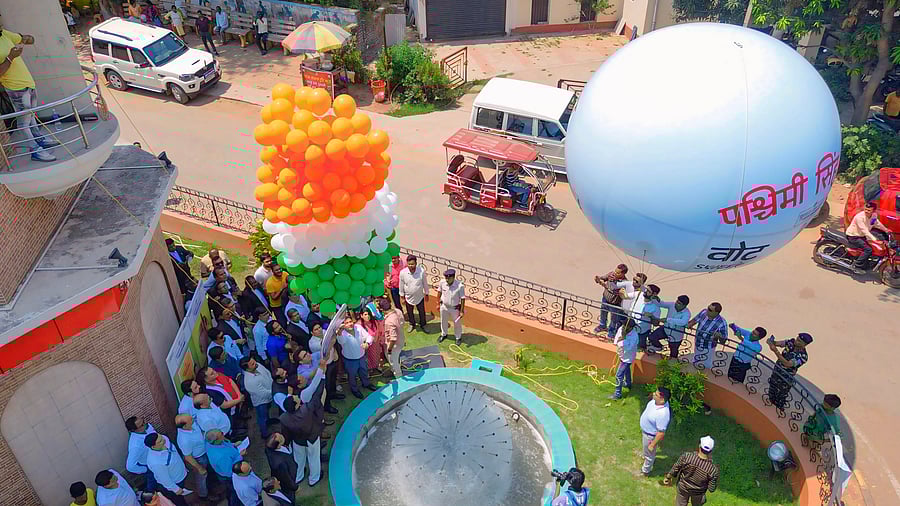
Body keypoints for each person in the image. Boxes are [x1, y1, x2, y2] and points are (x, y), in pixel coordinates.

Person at [0, 26, 58, 161]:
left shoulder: (4, 35)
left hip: (28, 83)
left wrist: (27, 38)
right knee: (24, 122)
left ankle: (40, 139)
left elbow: (30, 39)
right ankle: (36, 151)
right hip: (15, 88)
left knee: (31, 117)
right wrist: (10, 57)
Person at [280, 359, 327, 487]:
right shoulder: (306, 410)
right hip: (311, 438)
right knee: (313, 458)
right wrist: (322, 375)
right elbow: (317, 393)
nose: (296, 397)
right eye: (295, 399)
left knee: (299, 459)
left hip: (297, 440)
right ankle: (314, 478)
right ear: (295, 406)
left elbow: (285, 432)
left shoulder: (284, 417)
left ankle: (299, 476)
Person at [664, 436, 720, 506]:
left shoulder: (687, 456)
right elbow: (711, 489)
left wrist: (668, 477)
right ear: (711, 451)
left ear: (699, 446)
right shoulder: (712, 469)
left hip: (683, 488)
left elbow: (676, 468)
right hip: (698, 493)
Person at [767, 332, 812, 409]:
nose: (796, 341)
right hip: (776, 372)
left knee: (780, 398)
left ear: (805, 344)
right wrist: (771, 342)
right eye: (797, 339)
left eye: (799, 341)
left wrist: (776, 351)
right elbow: (777, 343)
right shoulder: (791, 342)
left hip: (785, 379)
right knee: (771, 391)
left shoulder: (803, 356)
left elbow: (787, 364)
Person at [144, 433, 191, 506]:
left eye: (161, 437)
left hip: (180, 474)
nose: (164, 440)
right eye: (160, 441)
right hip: (175, 483)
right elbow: (164, 479)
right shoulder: (155, 462)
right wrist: (176, 490)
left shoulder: (164, 440)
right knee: (180, 502)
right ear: (153, 447)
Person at [336, 315, 377, 398]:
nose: (349, 324)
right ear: (343, 325)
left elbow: (369, 336)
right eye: (346, 323)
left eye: (350, 322)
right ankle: (354, 390)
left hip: (361, 357)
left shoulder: (358, 327)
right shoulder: (342, 334)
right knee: (352, 376)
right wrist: (339, 332)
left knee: (364, 372)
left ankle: (366, 384)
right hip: (350, 361)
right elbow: (341, 341)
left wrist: (367, 343)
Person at [845, 201, 892, 272]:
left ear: (873, 211)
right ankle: (857, 265)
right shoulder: (859, 217)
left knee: (873, 248)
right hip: (853, 236)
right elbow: (864, 230)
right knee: (868, 249)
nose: (866, 211)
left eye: (869, 210)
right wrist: (874, 239)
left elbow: (876, 223)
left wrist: (886, 230)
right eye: (865, 209)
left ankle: (864, 262)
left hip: (861, 236)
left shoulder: (874, 215)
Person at [174, 414, 210, 502]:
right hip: (198, 458)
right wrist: (199, 468)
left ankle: (210, 486)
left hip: (205, 452)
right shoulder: (184, 440)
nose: (193, 420)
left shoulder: (191, 425)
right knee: (201, 478)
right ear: (185, 426)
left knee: (207, 475)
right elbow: (188, 457)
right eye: (191, 420)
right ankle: (203, 496)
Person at [603, 272, 647, 339]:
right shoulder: (628, 283)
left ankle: (625, 340)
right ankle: (613, 335)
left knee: (629, 328)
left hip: (632, 314)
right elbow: (615, 286)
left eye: (637, 281)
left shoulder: (644, 291)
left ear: (642, 283)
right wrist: (611, 281)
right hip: (623, 310)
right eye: (634, 279)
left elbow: (650, 297)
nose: (634, 282)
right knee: (617, 323)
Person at [638, 387, 671, 476]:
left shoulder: (663, 414)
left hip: (650, 436)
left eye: (656, 394)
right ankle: (645, 455)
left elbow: (661, 433)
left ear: (662, 399)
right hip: (645, 432)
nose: (653, 394)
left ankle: (645, 471)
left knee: (650, 455)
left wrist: (652, 444)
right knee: (646, 451)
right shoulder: (656, 402)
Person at [686, 302, 727, 372]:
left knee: (705, 366)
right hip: (697, 343)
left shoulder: (722, 323)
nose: (707, 310)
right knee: (695, 361)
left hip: (708, 348)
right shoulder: (704, 312)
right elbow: (695, 320)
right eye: (708, 308)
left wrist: (719, 336)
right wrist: (690, 324)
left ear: (716, 313)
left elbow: (723, 341)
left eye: (710, 310)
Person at [241, 356, 274, 439]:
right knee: (262, 416)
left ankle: (269, 421)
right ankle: (265, 433)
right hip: (261, 401)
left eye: (254, 361)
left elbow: (267, 372)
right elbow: (262, 393)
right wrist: (273, 392)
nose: (255, 364)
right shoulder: (249, 381)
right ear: (247, 369)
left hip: (269, 393)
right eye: (252, 364)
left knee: (267, 412)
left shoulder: (257, 365)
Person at [205, 429, 242, 501]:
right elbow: (229, 472)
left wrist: (233, 445)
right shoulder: (221, 457)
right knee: (235, 492)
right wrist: (240, 455)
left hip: (223, 470)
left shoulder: (210, 442)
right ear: (216, 440)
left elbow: (225, 444)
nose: (223, 434)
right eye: (221, 434)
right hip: (229, 477)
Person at [264, 433, 299, 504]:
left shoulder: (270, 448)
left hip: (286, 470)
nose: (282, 435)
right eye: (281, 437)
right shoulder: (280, 463)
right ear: (278, 445)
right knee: (289, 498)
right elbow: (287, 478)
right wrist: (294, 487)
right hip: (287, 483)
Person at [609, 318, 638, 400]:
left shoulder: (634, 336)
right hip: (621, 354)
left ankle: (617, 394)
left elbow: (628, 348)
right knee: (627, 370)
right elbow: (616, 341)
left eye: (626, 326)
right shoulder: (621, 329)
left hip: (628, 357)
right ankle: (628, 383)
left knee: (619, 375)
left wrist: (622, 340)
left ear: (631, 328)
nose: (624, 328)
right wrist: (620, 341)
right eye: (624, 325)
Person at [594, 263, 628, 334]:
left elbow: (616, 292)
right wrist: (598, 279)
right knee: (603, 313)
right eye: (615, 271)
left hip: (615, 303)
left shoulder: (624, 282)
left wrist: (605, 285)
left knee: (614, 319)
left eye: (617, 273)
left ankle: (611, 331)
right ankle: (602, 326)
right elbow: (603, 278)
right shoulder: (611, 274)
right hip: (605, 298)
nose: (615, 273)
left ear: (623, 274)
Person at [125, 416, 157, 491]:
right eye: (142, 425)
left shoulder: (147, 427)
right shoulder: (135, 446)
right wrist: (146, 469)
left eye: (143, 421)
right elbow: (130, 466)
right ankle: (151, 496)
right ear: (134, 430)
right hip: (148, 464)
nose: (145, 424)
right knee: (152, 481)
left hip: (156, 457)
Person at [437, 269, 466, 345]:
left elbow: (462, 298)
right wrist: (437, 303)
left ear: (453, 277)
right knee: (443, 321)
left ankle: (458, 337)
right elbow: (439, 292)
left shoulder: (460, 286)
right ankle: (444, 334)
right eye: (446, 278)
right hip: (444, 306)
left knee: (457, 323)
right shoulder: (442, 282)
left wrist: (462, 311)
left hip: (454, 308)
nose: (447, 279)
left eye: (448, 278)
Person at [399, 255, 427, 332]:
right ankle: (412, 324)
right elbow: (401, 285)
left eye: (412, 264)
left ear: (416, 263)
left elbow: (425, 283)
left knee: (421, 311)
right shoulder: (403, 273)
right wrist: (402, 297)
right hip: (408, 297)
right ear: (407, 264)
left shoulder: (421, 271)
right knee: (409, 312)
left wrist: (426, 293)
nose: (411, 266)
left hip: (420, 296)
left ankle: (423, 324)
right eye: (409, 264)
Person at [379, 297, 406, 377]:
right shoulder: (398, 311)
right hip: (400, 339)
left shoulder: (389, 322)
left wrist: (389, 349)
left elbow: (393, 338)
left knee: (393, 361)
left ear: (382, 309)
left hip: (393, 345)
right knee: (395, 358)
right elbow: (402, 323)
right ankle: (392, 370)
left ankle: (398, 375)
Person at [359, 306, 385, 373]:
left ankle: (376, 367)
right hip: (367, 346)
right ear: (361, 315)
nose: (367, 316)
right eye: (365, 314)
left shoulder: (375, 321)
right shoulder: (359, 325)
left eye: (368, 314)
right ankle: (370, 369)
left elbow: (379, 330)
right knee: (369, 358)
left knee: (377, 355)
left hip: (376, 343)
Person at [636, 284, 661, 350]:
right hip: (631, 329)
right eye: (646, 289)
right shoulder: (638, 297)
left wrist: (651, 316)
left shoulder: (655, 308)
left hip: (642, 332)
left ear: (654, 294)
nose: (645, 291)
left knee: (640, 349)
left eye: (648, 291)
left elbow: (656, 324)